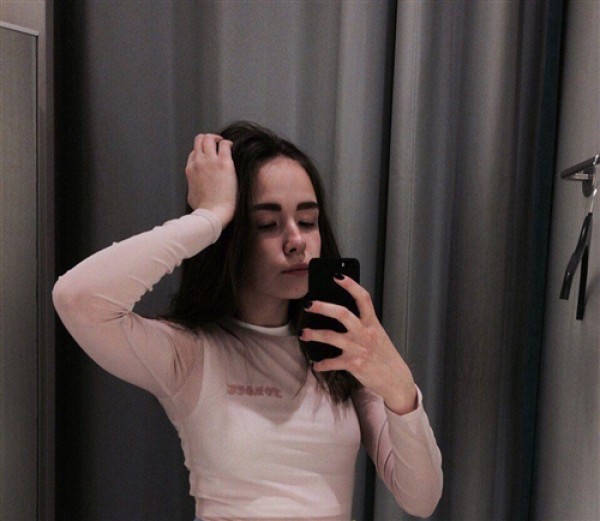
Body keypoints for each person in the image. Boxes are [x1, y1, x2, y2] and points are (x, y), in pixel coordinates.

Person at [53, 122, 443, 521]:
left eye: (308, 221)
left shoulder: (340, 353)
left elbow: (421, 498)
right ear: (230, 236)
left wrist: (398, 387)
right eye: (267, 225)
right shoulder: (190, 352)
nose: (296, 241)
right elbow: (76, 298)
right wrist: (209, 217)